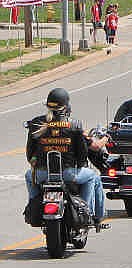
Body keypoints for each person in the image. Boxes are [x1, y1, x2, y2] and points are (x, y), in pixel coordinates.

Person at [24, 88, 108, 231]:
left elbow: (29, 153)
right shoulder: (74, 125)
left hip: (42, 174)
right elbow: (82, 155)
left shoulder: (36, 124)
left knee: (28, 176)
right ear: (66, 106)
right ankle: (88, 214)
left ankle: (34, 206)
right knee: (92, 177)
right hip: (68, 173)